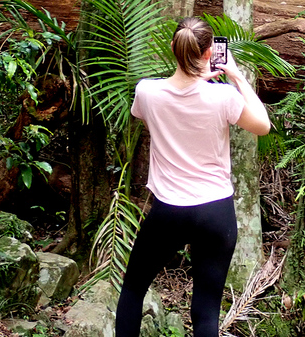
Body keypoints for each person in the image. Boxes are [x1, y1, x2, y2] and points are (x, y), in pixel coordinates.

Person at [115, 17, 271, 337]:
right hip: (216, 212)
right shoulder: (224, 96)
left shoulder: (147, 92)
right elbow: (262, 125)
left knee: (132, 290)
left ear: (173, 48)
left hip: (169, 210)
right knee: (206, 312)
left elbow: (147, 118)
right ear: (210, 53)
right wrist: (237, 76)